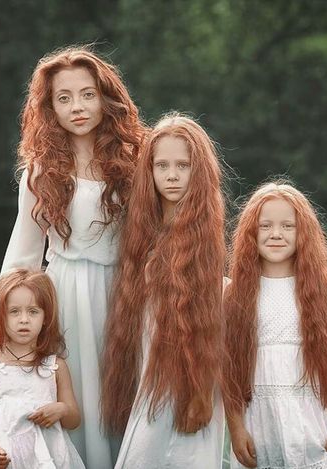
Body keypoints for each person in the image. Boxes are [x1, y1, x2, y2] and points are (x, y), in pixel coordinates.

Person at [0, 45, 145, 468]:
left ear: (107, 97)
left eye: (87, 94)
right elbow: (22, 255)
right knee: (70, 398)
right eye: (63, 98)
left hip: (125, 295)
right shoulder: (41, 172)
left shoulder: (136, 161)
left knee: (123, 400)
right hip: (63, 298)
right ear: (49, 108)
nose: (77, 107)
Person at [101, 113, 226, 468]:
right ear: (149, 171)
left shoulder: (203, 242)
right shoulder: (141, 234)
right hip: (146, 366)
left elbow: (209, 327)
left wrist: (198, 391)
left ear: (198, 172)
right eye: (162, 165)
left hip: (185, 375)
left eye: (183, 166)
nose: (172, 175)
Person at [223, 181, 327, 469]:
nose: (276, 234)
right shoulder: (235, 293)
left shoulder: (321, 290)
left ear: (303, 232)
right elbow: (228, 368)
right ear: (251, 233)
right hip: (260, 427)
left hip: (314, 425)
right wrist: (236, 428)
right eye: (265, 225)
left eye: (288, 226)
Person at [0, 269, 85, 469]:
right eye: (14, 311)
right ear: (0, 316)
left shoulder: (55, 366)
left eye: (33, 311)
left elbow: (74, 420)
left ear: (45, 317)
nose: (24, 319)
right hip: (5, 460)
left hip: (49, 458)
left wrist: (62, 409)